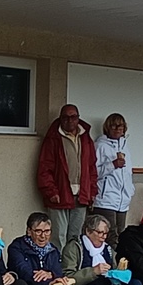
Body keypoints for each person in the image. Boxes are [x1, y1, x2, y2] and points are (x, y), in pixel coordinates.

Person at [37, 104, 97, 249]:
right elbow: (44, 168)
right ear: (60, 118)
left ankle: (72, 263)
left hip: (82, 195)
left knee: (75, 237)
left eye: (73, 117)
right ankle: (58, 263)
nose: (69, 121)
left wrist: (92, 191)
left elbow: (91, 167)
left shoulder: (85, 137)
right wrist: (51, 191)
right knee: (58, 236)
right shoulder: (53, 138)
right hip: (60, 194)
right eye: (65, 117)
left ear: (78, 118)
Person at [93, 113, 134, 249]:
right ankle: (109, 261)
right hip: (106, 199)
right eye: (114, 126)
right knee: (109, 236)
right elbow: (93, 173)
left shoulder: (125, 146)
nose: (117, 129)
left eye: (120, 126)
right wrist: (112, 165)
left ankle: (119, 260)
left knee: (121, 235)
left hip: (123, 200)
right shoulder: (100, 146)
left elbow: (128, 173)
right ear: (107, 128)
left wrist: (130, 190)